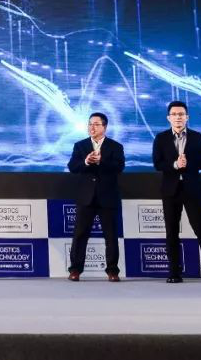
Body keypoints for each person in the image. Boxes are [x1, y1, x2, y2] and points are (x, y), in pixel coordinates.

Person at [152, 100, 201, 283]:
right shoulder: (161, 138)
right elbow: (157, 164)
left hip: (192, 189)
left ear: (187, 117)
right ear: (168, 118)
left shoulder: (198, 137)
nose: (178, 117)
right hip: (170, 190)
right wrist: (175, 165)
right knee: (171, 231)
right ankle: (174, 272)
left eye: (181, 114)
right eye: (174, 114)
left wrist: (187, 163)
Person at [67, 112, 124, 281]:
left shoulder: (115, 146)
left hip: (108, 197)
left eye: (96, 124)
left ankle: (112, 271)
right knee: (80, 235)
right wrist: (86, 161)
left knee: (111, 236)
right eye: (90, 124)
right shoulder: (80, 146)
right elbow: (72, 167)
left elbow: (119, 167)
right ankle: (75, 270)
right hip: (86, 197)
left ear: (104, 127)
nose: (92, 127)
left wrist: (101, 161)